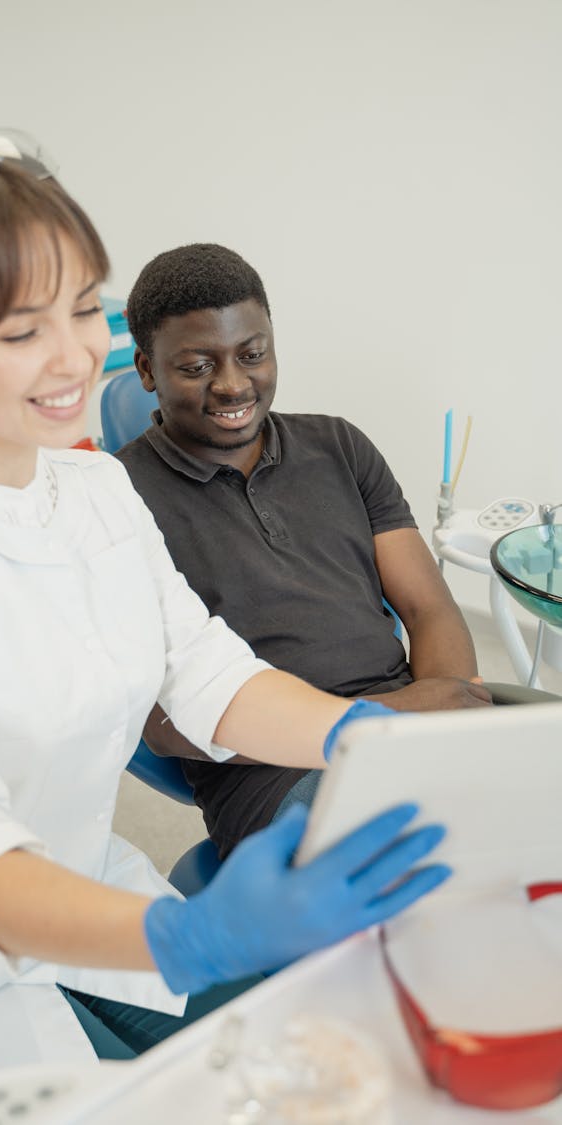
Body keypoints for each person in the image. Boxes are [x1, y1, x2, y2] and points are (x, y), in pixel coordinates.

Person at [0, 132, 450, 1119]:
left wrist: (356, 736)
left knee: (312, 1078)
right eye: (23, 331)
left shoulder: (95, 489)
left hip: (98, 891)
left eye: (80, 308)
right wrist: (188, 942)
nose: (75, 359)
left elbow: (206, 675)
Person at [117, 243, 491, 859]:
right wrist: (389, 717)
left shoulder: (339, 445)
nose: (233, 383)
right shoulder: (118, 500)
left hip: (413, 721)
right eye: (197, 366)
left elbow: (427, 607)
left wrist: (442, 712)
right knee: (455, 864)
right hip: (273, 776)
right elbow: (165, 726)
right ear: (148, 370)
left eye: (252, 354)